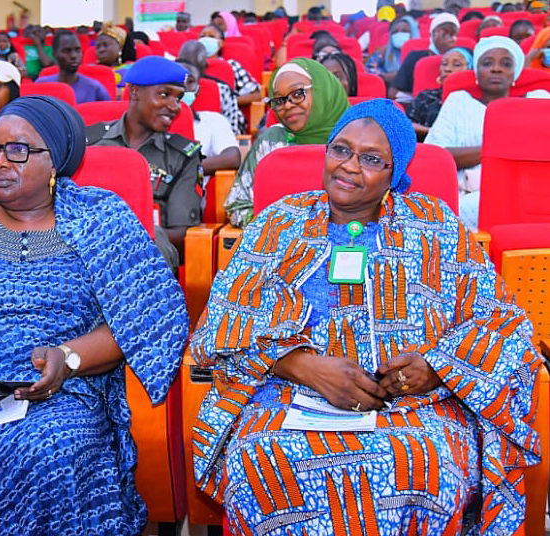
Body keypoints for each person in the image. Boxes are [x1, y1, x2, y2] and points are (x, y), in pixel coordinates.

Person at [191, 98, 541, 535]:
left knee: (421, 459)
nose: (349, 167)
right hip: (287, 399)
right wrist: (301, 365)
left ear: (396, 172)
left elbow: (502, 321)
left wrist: (438, 367)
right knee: (263, 458)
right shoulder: (279, 222)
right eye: (340, 150)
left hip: (414, 407)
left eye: (372, 158)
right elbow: (222, 322)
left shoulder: (436, 226)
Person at [0, 94, 188, 535]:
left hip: (64, 390)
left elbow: (151, 315)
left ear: (55, 161)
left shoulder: (100, 218)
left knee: (49, 448)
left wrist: (70, 357)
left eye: (18, 150)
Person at [86, 56, 202, 271]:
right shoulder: (89, 143)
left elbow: (181, 233)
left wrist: (122, 239)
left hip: (148, 261)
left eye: (179, 99)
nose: (174, 107)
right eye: (165, 94)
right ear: (134, 92)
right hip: (85, 254)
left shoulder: (183, 155)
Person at [425, 36, 550, 229]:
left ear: (515, 74)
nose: (496, 69)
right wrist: (496, 151)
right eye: (487, 63)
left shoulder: (537, 101)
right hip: (470, 195)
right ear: (476, 71)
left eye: (506, 64)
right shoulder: (458, 102)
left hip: (530, 192)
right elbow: (437, 156)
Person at [224, 58, 349, 228]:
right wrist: (282, 230)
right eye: (279, 100)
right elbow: (237, 206)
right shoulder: (271, 141)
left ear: (322, 91)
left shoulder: (356, 140)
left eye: (297, 94)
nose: (288, 105)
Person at [177, 59, 241, 176]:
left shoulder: (213, 120)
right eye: (177, 82)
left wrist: (185, 170)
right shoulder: (153, 121)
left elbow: (233, 157)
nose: (184, 87)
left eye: (190, 81)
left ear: (198, 90)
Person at [178, 40, 247, 135]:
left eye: (190, 80)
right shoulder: (166, 89)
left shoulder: (222, 90)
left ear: (203, 68)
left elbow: (232, 132)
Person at [391, 13, 459, 102]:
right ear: (433, 34)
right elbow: (393, 92)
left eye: (453, 34)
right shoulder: (414, 57)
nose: (450, 39)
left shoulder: (462, 60)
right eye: (444, 33)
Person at [406, 47, 472, 135]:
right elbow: (405, 125)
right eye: (444, 64)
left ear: (471, 69)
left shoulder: (476, 101)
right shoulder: (425, 97)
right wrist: (433, 133)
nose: (447, 69)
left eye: (456, 65)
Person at [36, 30, 111, 103]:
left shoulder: (95, 88)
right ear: (55, 54)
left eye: (77, 50)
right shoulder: (42, 85)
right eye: (66, 51)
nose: (74, 56)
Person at [199, 24, 262, 109]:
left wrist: (229, 101)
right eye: (202, 36)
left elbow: (256, 95)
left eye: (211, 36)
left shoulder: (231, 65)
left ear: (221, 43)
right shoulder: (190, 66)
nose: (206, 39)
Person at [366, 16, 421, 82]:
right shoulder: (384, 51)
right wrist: (384, 76)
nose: (399, 34)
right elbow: (368, 71)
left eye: (404, 31)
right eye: (395, 32)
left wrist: (398, 75)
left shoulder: (422, 53)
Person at [94, 22, 135, 96]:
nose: (101, 49)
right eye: (98, 46)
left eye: (105, 45)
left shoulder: (132, 69)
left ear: (119, 47)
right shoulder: (91, 70)